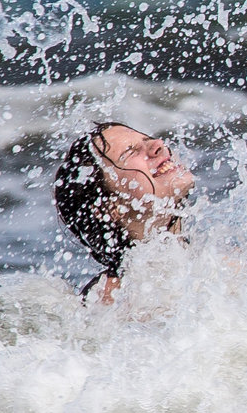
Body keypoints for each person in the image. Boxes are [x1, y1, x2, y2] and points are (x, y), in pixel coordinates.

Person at [53, 121, 195, 303]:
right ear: (110, 206)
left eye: (148, 140)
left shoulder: (220, 264)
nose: (158, 144)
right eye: (131, 152)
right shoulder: (111, 299)